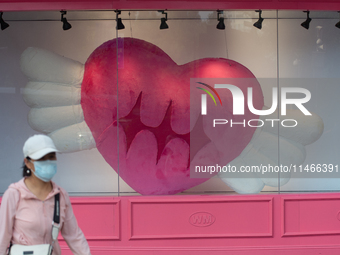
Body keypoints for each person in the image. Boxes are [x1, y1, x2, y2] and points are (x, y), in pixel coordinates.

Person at [0, 134, 91, 255]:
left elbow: (74, 236)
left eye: (51, 156)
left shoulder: (60, 195)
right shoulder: (14, 194)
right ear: (28, 162)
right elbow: (2, 237)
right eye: (42, 158)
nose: (48, 161)